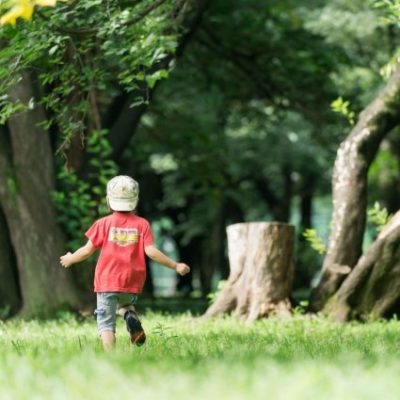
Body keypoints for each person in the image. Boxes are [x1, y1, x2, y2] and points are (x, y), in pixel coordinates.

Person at [60, 175, 190, 350]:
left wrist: (70, 258)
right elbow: (151, 251)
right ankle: (129, 314)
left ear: (109, 200)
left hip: (107, 280)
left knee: (105, 321)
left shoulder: (103, 224)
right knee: (125, 304)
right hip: (131, 279)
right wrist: (175, 265)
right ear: (135, 201)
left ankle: (111, 356)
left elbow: (87, 250)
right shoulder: (142, 224)